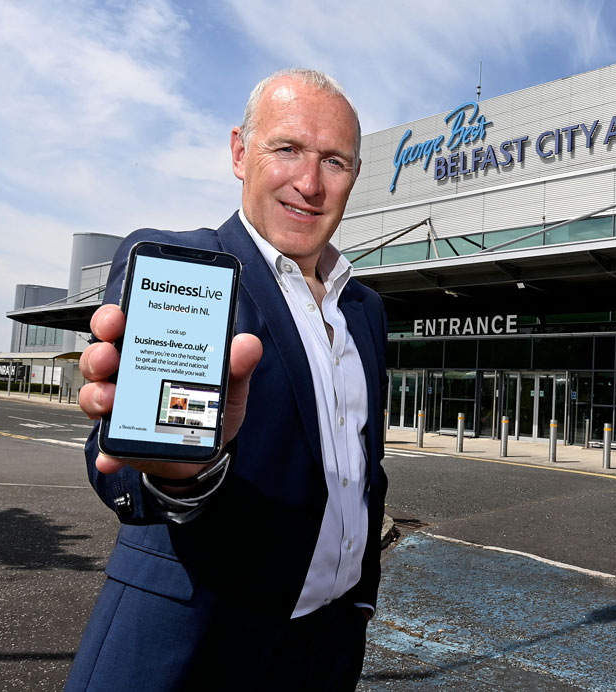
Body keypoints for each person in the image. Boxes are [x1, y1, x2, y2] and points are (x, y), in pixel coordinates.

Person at [66, 69, 388, 692]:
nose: (310, 183)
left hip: (328, 648)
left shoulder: (365, 309)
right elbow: (124, 469)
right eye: (287, 149)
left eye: (334, 161)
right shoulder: (185, 272)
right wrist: (177, 474)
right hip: (197, 646)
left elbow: (363, 468)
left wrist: (360, 600)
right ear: (240, 153)